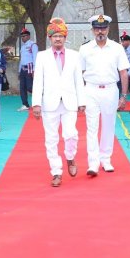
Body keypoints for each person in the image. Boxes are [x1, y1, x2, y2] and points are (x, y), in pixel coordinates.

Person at [31, 18, 86, 187]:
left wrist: (81, 100)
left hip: (70, 102)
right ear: (50, 38)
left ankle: (70, 157)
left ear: (65, 37)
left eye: (61, 36)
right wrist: (36, 104)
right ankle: (56, 172)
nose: (58, 39)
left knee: (71, 135)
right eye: (55, 36)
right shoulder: (42, 56)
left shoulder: (75, 56)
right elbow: (38, 80)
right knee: (51, 139)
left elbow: (79, 80)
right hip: (49, 103)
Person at [79, 14, 130, 176]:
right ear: (92, 30)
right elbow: (79, 73)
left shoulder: (117, 48)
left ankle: (106, 159)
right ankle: (93, 163)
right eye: (97, 28)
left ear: (108, 29)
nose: (100, 31)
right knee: (91, 127)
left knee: (109, 125)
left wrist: (123, 96)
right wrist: (80, 95)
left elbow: (123, 72)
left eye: (103, 28)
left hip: (110, 90)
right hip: (91, 90)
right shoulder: (85, 48)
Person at [17, 27, 38, 111]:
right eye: (22, 36)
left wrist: (34, 70)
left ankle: (39, 101)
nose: (23, 38)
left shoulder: (33, 45)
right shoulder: (22, 47)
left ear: (29, 36)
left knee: (30, 87)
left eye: (25, 36)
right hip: (23, 69)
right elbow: (21, 59)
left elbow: (35, 58)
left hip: (30, 68)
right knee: (22, 87)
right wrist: (19, 71)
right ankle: (25, 104)